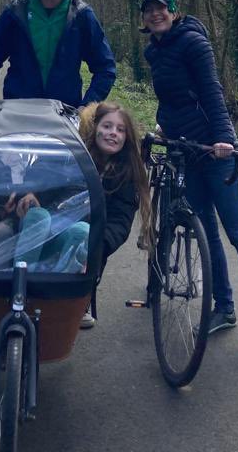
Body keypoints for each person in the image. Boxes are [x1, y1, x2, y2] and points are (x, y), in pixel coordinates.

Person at [140, 0, 238, 356]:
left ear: (173, 11)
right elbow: (172, 98)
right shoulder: (152, 51)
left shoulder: (193, 43)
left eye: (160, 9)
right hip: (186, 150)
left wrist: (223, 139)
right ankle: (225, 308)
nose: (155, 15)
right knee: (206, 231)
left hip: (215, 154)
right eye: (148, 11)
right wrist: (163, 128)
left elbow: (211, 93)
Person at [78, 101, 152, 328]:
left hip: (97, 237)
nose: (113, 133)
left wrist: (98, 247)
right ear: (95, 128)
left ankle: (82, 298)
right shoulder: (77, 157)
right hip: (65, 226)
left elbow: (121, 219)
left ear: (127, 138)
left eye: (120, 130)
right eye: (107, 126)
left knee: (91, 255)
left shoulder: (127, 172)